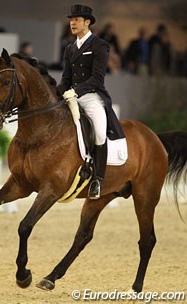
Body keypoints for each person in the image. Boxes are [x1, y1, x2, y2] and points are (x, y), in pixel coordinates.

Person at [57, 4, 124, 199]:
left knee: (100, 134)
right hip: (71, 96)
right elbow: (66, 79)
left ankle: (98, 181)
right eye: (71, 20)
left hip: (91, 96)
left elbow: (97, 78)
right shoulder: (70, 48)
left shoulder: (99, 45)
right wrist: (58, 92)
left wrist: (75, 91)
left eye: (76, 20)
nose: (72, 23)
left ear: (87, 22)